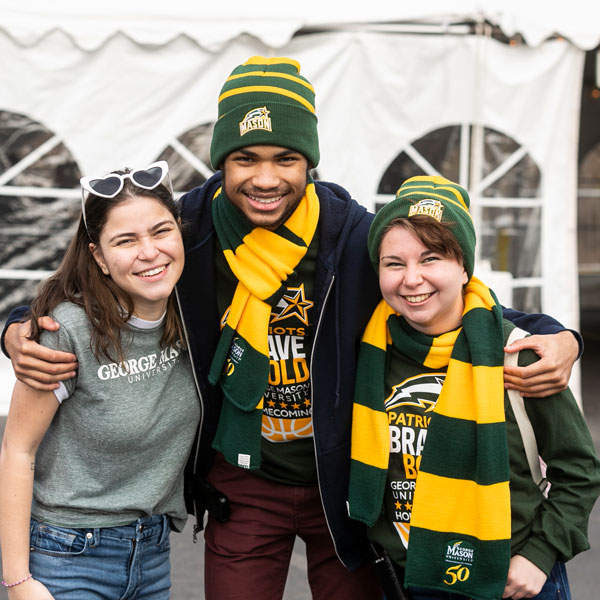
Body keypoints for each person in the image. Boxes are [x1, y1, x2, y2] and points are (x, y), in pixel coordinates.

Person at [1, 57, 583, 600]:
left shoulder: (352, 234)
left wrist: (559, 334)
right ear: (221, 163)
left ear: (309, 163)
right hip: (243, 480)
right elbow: (102, 273)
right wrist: (15, 325)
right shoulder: (188, 232)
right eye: (245, 158)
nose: (265, 178)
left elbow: (442, 294)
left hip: (345, 478)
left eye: (285, 158)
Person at [347, 175, 600, 600]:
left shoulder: (518, 354)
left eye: (431, 259)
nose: (412, 279)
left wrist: (540, 554)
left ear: (463, 266)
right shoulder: (368, 354)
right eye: (395, 263)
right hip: (408, 579)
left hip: (509, 580)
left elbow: (579, 470)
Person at [0, 162, 200, 599]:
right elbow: (18, 448)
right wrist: (17, 581)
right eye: (125, 241)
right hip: (68, 556)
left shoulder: (195, 315)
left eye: (161, 231)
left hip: (152, 553)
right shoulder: (65, 330)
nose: (150, 252)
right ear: (98, 257)